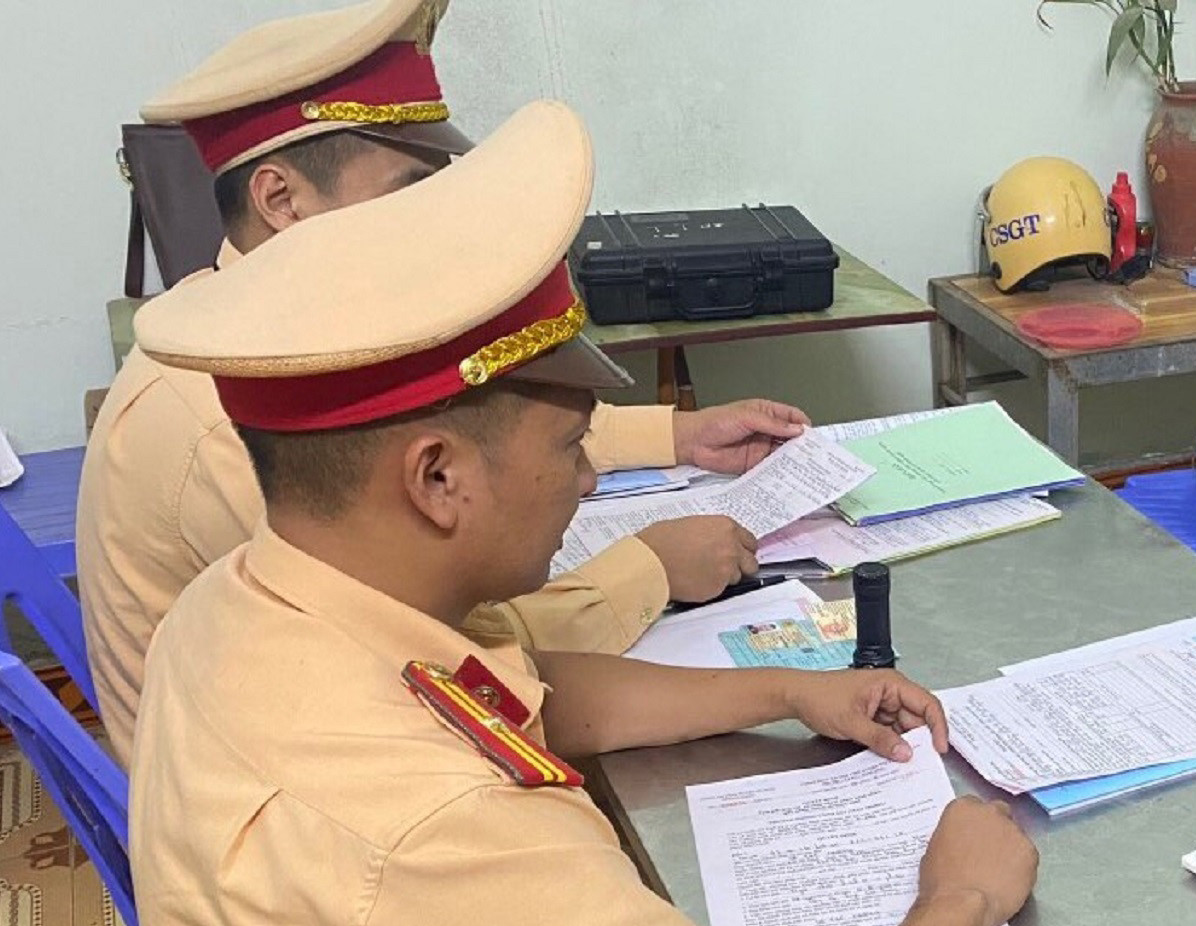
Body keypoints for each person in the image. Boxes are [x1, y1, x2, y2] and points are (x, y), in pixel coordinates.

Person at [127, 99, 1035, 926]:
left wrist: (789, 693)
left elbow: (528, 688)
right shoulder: (425, 827)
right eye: (569, 447)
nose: (592, 478)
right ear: (437, 478)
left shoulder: (252, 600)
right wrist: (959, 893)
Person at [78, 0, 805, 759]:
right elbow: (457, 661)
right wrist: (650, 567)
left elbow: (474, 417)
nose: (436, 221)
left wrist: (680, 435)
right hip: (314, 784)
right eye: (407, 194)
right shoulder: (230, 414)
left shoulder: (284, 340)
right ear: (280, 199)